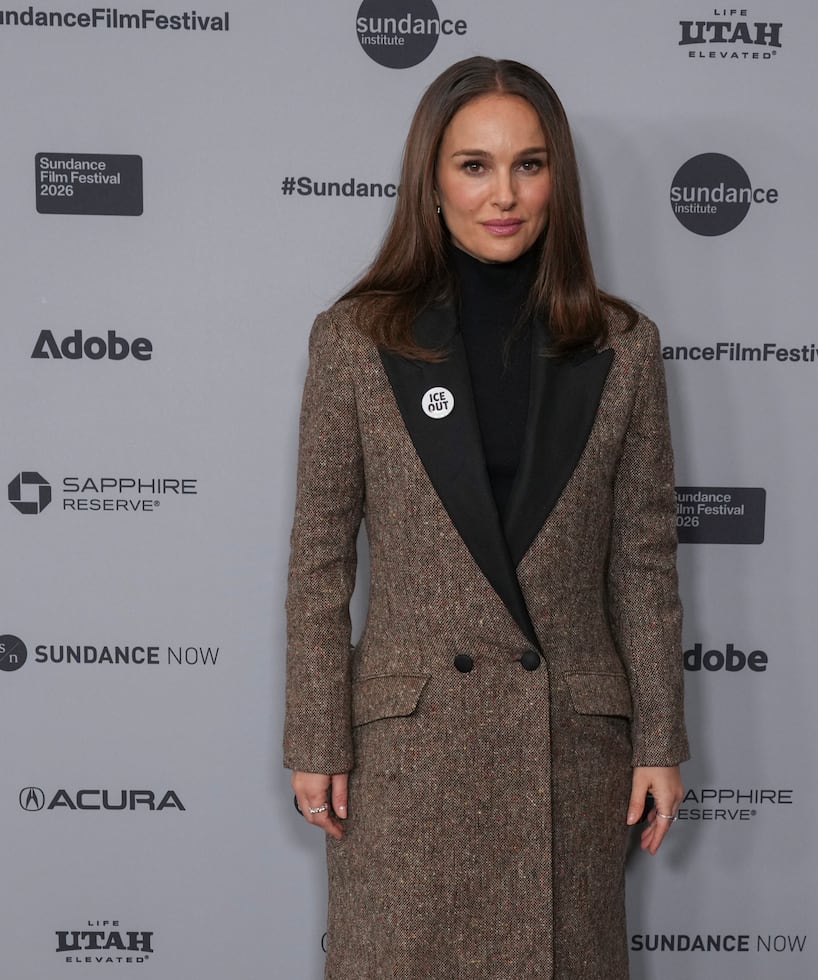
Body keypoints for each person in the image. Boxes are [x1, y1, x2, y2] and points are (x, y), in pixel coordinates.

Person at [284, 56, 688, 980]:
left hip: (568, 749)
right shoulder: (355, 340)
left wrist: (661, 737)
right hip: (412, 754)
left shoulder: (623, 347)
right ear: (432, 178)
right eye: (474, 165)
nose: (502, 194)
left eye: (528, 165)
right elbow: (318, 560)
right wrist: (316, 735)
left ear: (559, 180)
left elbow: (642, 563)